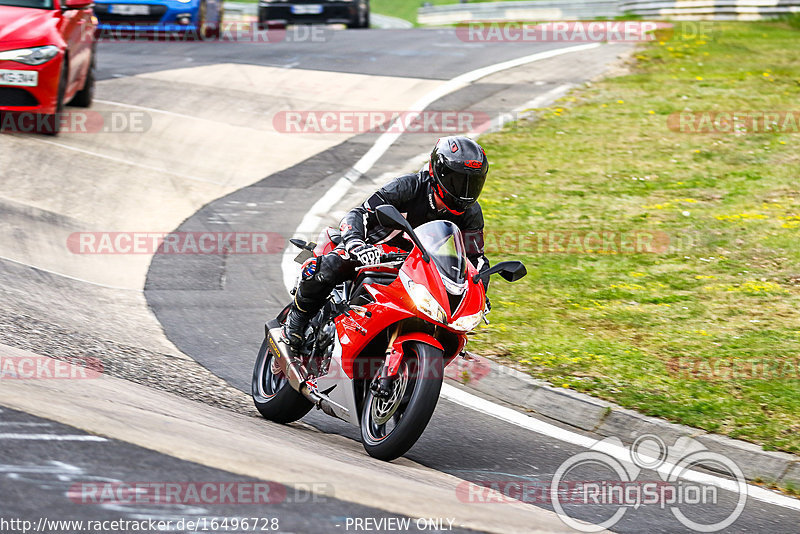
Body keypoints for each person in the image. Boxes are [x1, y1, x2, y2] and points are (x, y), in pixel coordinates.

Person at [283, 136, 492, 351]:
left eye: (472, 183)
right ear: (438, 172)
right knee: (333, 266)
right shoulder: (409, 187)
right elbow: (360, 212)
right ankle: (297, 318)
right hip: (370, 251)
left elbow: (475, 259)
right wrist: (355, 243)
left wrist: (479, 293)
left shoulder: (471, 213)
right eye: (457, 181)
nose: (464, 191)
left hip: (414, 266)